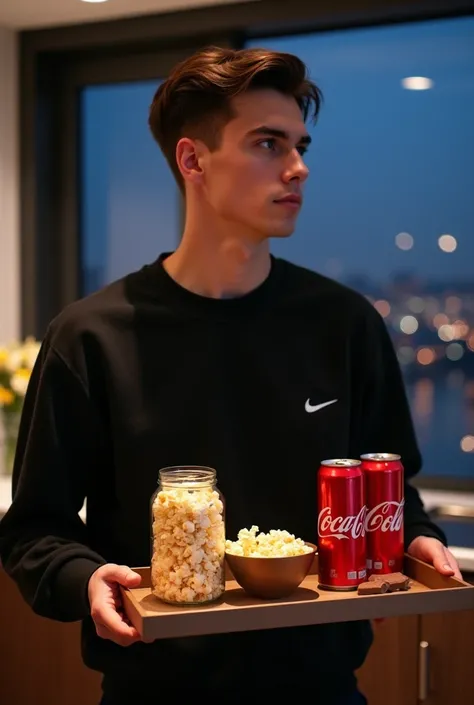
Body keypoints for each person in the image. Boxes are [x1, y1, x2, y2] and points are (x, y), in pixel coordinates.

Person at [0, 45, 461, 705]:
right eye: (268, 144)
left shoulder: (345, 323)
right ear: (194, 160)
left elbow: (393, 487)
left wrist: (415, 539)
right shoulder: (91, 335)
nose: (298, 167)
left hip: (323, 688)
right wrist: (83, 577)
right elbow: (34, 528)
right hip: (153, 689)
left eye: (300, 145)